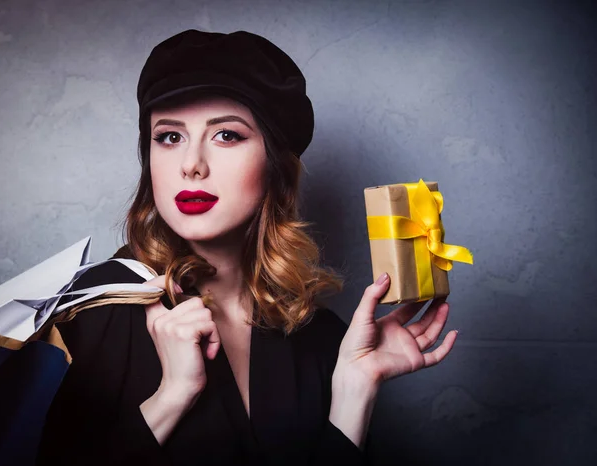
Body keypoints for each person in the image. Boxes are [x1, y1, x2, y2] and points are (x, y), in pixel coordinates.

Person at [36, 29, 457, 466]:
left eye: (227, 136)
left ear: (276, 166)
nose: (191, 165)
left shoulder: (320, 337)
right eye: (169, 137)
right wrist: (172, 396)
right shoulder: (93, 308)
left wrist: (355, 385)